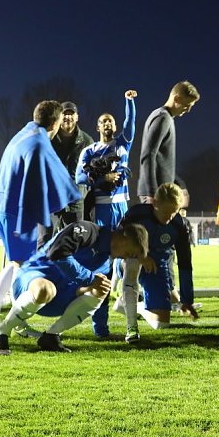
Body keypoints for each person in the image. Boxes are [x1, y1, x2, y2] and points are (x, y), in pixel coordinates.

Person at [0, 100, 82, 322]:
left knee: (16, 262)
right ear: (55, 123)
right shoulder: (39, 141)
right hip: (14, 211)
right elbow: (50, 180)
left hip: (3, 207)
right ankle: (4, 317)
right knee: (21, 265)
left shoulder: (25, 132)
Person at [0, 221, 149, 355]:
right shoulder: (87, 231)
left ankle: (51, 336)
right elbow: (58, 253)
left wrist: (92, 291)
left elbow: (82, 287)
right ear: (124, 238)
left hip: (58, 297)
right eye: (130, 252)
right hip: (31, 280)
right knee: (46, 289)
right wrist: (90, 279)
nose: (127, 257)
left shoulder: (106, 261)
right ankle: (2, 332)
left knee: (101, 289)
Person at [74, 90, 138, 337]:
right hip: (101, 209)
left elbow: (131, 123)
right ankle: (100, 327)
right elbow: (80, 176)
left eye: (111, 120)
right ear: (97, 126)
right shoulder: (90, 151)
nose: (108, 124)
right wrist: (102, 178)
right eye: (103, 121)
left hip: (123, 208)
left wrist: (129, 102)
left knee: (130, 259)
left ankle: (129, 307)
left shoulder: (123, 143)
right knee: (103, 267)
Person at [119, 183, 195, 340]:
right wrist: (141, 256)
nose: (169, 218)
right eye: (166, 212)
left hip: (157, 266)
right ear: (155, 203)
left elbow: (185, 263)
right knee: (132, 264)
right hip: (130, 258)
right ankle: (131, 326)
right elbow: (118, 241)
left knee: (161, 324)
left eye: (174, 213)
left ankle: (136, 306)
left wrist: (187, 300)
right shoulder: (137, 215)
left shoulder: (178, 225)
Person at [38, 101, 94, 247]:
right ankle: (43, 270)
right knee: (44, 241)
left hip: (75, 202)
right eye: (64, 114)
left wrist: (84, 192)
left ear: (77, 117)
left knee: (74, 242)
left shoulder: (87, 141)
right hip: (50, 199)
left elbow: (92, 171)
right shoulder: (47, 138)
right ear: (58, 117)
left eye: (71, 114)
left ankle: (71, 270)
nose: (68, 117)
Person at [137, 81, 200, 204]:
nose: (188, 110)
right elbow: (148, 155)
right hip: (156, 194)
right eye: (187, 105)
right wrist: (152, 193)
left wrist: (179, 184)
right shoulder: (163, 118)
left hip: (160, 192)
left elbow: (162, 162)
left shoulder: (164, 117)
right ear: (176, 98)